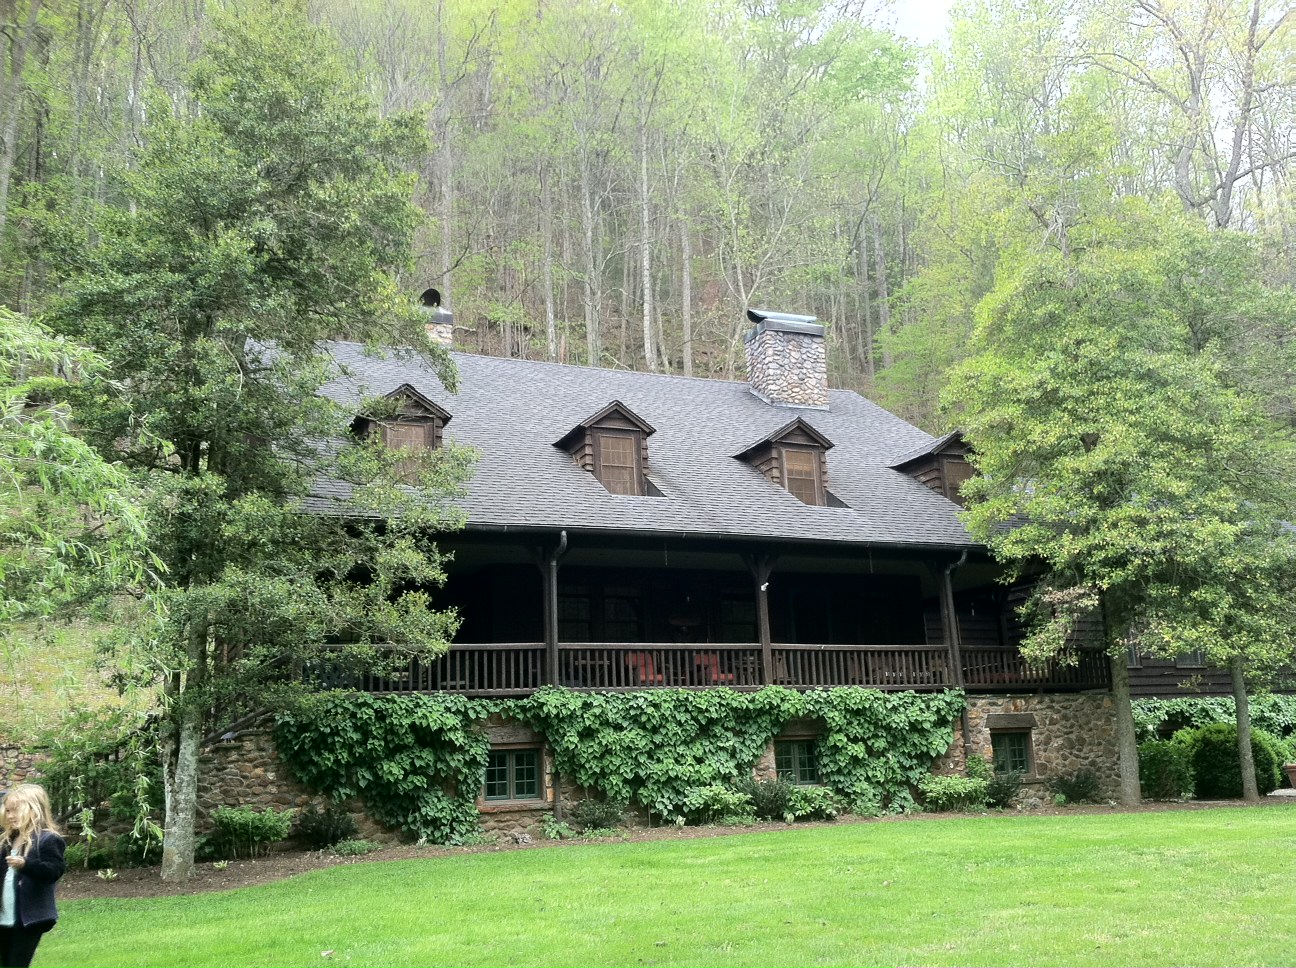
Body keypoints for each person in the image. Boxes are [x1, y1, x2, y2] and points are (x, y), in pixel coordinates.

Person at [0, 784, 66, 968]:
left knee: (16, 964)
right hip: (4, 915)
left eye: (16, 811)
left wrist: (26, 864)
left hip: (29, 919)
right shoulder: (7, 840)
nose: (10, 816)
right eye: (8, 811)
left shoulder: (48, 839)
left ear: (34, 810)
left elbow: (53, 871)